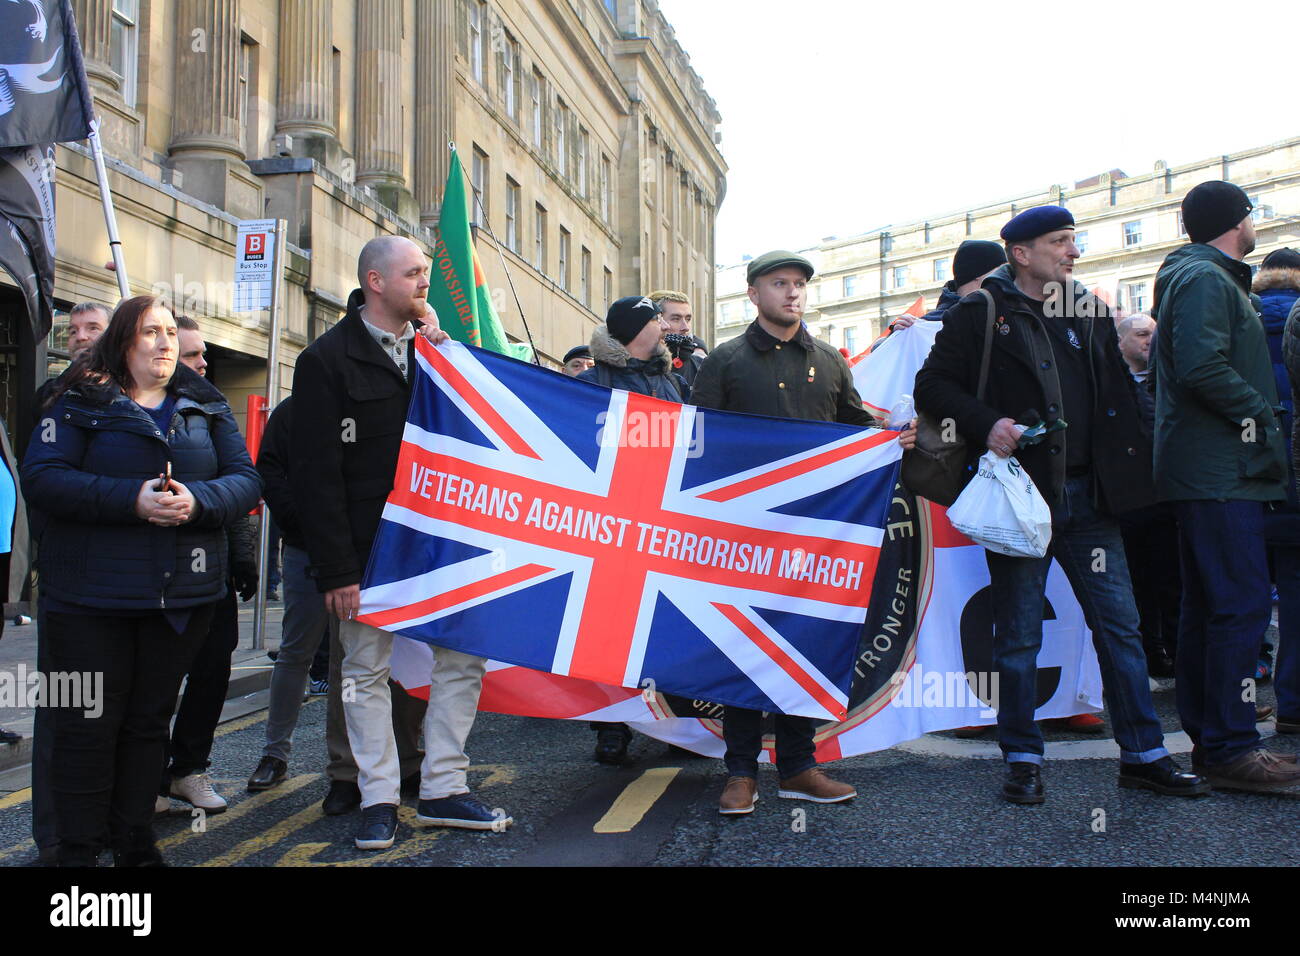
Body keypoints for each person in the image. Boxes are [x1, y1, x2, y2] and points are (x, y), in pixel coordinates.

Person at [914, 205, 1208, 805]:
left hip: (1091, 499)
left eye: (1073, 241)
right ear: (1021, 253)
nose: (1072, 252)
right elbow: (932, 388)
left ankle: (1145, 756)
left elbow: (1121, 397)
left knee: (1119, 629)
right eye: (1059, 242)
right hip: (1024, 499)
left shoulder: (1092, 310)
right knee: (1018, 636)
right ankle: (1022, 758)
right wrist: (985, 421)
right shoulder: (982, 310)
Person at [22, 295, 261, 866]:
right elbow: (45, 478)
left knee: (147, 726)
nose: (164, 342)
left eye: (169, 333)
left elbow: (245, 480)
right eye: (150, 332)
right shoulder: (78, 402)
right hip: (87, 599)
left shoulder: (204, 404)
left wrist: (197, 503)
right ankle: (75, 851)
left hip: (179, 599)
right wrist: (132, 500)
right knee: (86, 729)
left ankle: (134, 842)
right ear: (125, 341)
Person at [292, 235, 509, 850]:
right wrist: (336, 571)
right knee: (364, 670)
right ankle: (378, 797)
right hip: (368, 550)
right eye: (414, 273)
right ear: (375, 281)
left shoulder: (438, 354)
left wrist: (448, 355)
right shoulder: (325, 360)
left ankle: (443, 784)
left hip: (444, 542)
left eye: (426, 273)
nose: (424, 283)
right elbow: (316, 474)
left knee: (462, 660)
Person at [691, 249, 916, 815]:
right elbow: (697, 443)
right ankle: (741, 771)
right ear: (754, 294)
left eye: (798, 285)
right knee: (741, 648)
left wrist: (889, 441)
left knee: (806, 644)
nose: (792, 293)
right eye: (779, 283)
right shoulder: (725, 361)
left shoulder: (830, 360)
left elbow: (855, 432)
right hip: (743, 534)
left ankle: (797, 765)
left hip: (818, 535)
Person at [1153, 183, 1300, 793]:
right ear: (1238, 221)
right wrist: (1262, 413)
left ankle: (1217, 744)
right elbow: (1200, 365)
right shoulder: (1208, 279)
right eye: (1252, 214)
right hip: (1218, 472)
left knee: (1212, 608)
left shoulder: (1205, 275)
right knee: (1237, 607)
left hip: (1211, 470)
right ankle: (1233, 747)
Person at [575, 296, 687, 765]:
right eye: (654, 319)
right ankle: (611, 727)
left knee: (663, 630)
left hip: (663, 523)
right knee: (609, 636)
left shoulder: (674, 383)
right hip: (610, 528)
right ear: (631, 331)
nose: (663, 326)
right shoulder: (589, 384)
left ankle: (674, 725)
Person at [157, 315, 259, 814]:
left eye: (201, 353)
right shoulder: (138, 406)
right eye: (192, 355)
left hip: (212, 568)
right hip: (155, 575)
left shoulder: (214, 408)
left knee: (213, 668)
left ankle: (189, 770)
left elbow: (238, 482)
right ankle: (151, 778)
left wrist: (243, 556)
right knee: (155, 680)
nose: (202, 363)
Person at [1114, 314, 1180, 679]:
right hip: (1127, 501)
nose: (1150, 341)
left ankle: (1178, 656)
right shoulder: (1109, 382)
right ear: (1121, 341)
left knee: (1172, 581)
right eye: (1142, 334)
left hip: (1165, 498)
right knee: (1135, 583)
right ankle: (1150, 652)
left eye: (1155, 334)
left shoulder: (1170, 379)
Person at [1252, 249, 1300, 685]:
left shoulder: (1241, 315)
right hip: (1297, 470)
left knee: (1243, 590)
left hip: (1249, 475)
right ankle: (1293, 701)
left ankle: (1245, 682)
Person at [650, 289, 706, 387]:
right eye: (676, 319)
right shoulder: (638, 363)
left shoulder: (702, 366)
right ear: (656, 320)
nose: (686, 327)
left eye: (688, 319)